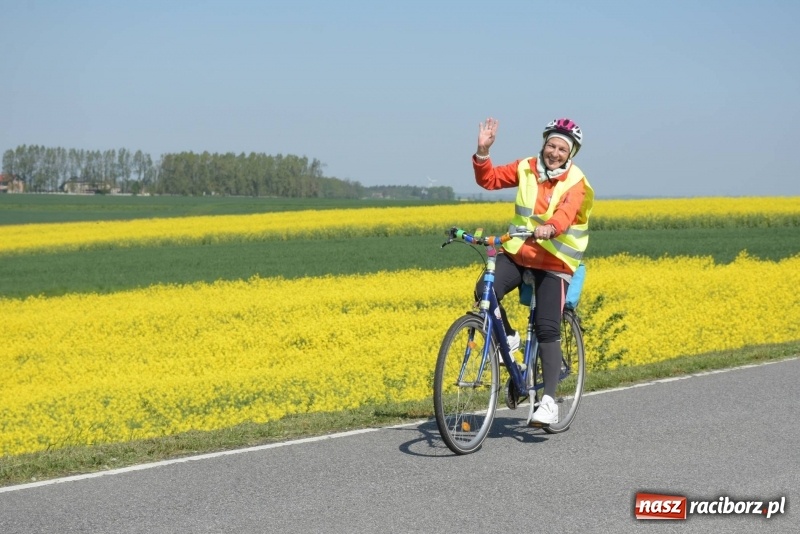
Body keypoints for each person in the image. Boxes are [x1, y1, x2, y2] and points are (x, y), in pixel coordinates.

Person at [472, 117, 594, 427]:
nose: (554, 152)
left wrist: (551, 227)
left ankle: (549, 402)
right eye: (551, 145)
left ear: (571, 154)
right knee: (484, 290)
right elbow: (489, 180)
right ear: (544, 144)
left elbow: (567, 212)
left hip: (555, 260)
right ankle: (510, 337)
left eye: (562, 149)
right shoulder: (526, 166)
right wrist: (483, 152)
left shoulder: (576, 181)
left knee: (546, 327)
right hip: (519, 252)